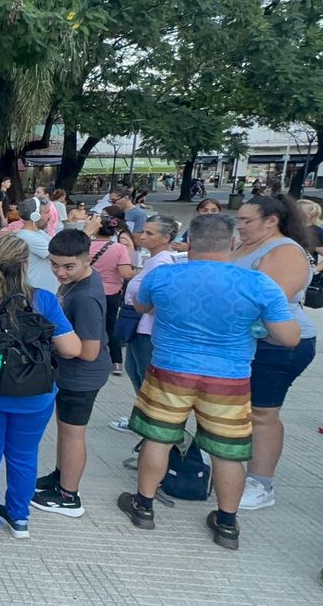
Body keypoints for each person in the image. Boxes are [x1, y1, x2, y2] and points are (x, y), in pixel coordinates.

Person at [120, 214, 299, 550]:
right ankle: (227, 522)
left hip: (170, 369)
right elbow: (289, 337)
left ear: (188, 243)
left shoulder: (163, 275)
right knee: (227, 452)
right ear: (232, 243)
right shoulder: (257, 284)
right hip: (229, 378)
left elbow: (142, 305)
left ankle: (143, 505)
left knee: (158, 439)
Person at [0, 234, 81, 543]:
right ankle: (19, 517)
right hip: (35, 395)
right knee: (24, 455)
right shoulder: (44, 300)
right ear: (26, 265)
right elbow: (71, 348)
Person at [230, 195, 317, 511]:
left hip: (278, 345)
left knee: (263, 413)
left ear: (272, 221)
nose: (239, 226)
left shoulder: (286, 252)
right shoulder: (244, 245)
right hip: (245, 341)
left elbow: (270, 302)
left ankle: (261, 483)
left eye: (246, 221)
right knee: (237, 409)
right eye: (238, 219)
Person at [31, 231, 110, 518]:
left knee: (73, 435)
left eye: (68, 267)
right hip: (72, 374)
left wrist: (56, 342)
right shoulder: (80, 281)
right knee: (65, 433)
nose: (59, 272)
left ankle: (69, 495)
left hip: (82, 376)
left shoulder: (86, 296)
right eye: (54, 265)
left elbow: (88, 350)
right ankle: (60, 476)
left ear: (86, 259)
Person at [107, 215, 180, 431]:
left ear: (166, 237)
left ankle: (150, 420)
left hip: (147, 326)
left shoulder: (163, 262)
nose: (142, 236)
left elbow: (161, 299)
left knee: (146, 374)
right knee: (135, 370)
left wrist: (142, 303)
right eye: (143, 231)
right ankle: (142, 415)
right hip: (137, 323)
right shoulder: (153, 259)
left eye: (150, 233)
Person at [83, 211, 137, 376]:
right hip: (111, 293)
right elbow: (126, 273)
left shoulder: (86, 246)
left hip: (88, 290)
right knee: (110, 327)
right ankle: (116, 363)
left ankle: (88, 357)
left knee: (88, 325)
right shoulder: (119, 248)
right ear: (114, 231)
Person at [14, 197, 59, 293]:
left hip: (42, 293)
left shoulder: (38, 233)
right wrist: (86, 232)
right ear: (35, 216)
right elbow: (62, 255)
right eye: (47, 212)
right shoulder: (28, 237)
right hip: (36, 294)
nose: (50, 216)